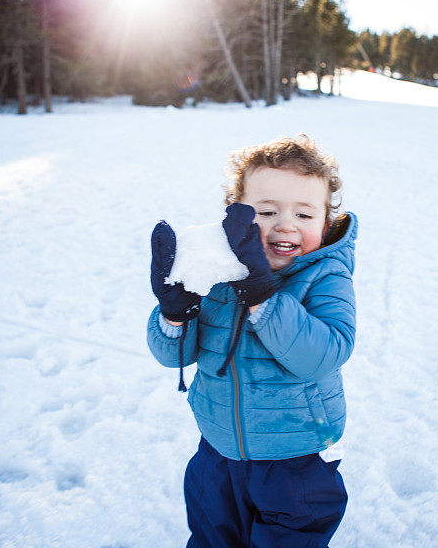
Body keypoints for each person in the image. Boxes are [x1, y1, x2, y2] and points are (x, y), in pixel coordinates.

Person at [147, 135, 357, 548]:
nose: (285, 224)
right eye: (266, 211)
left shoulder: (326, 275)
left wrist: (264, 296)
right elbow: (175, 356)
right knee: (212, 538)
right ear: (235, 215)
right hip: (218, 453)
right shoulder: (218, 273)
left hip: (295, 460)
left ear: (326, 224)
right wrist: (175, 312)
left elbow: (327, 353)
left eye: (304, 213)